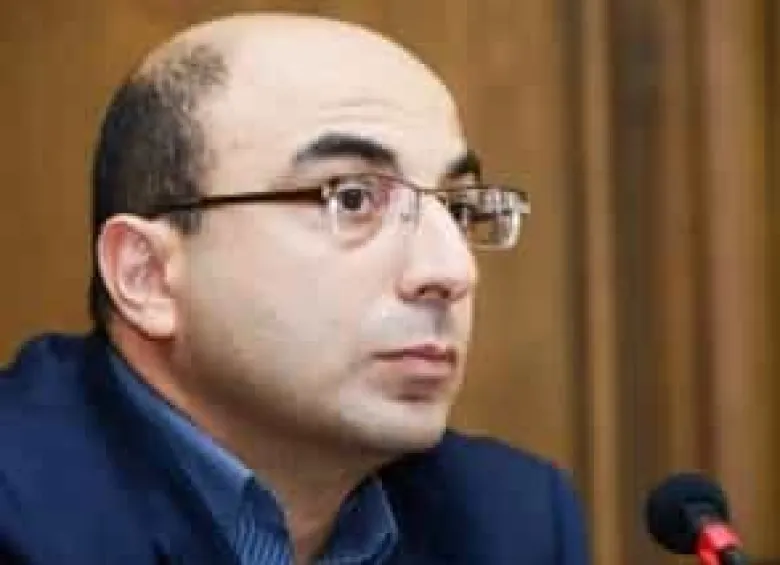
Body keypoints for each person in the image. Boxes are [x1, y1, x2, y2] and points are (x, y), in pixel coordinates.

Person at [0, 12, 589, 565]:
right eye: (352, 199)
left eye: (458, 209)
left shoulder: (508, 522)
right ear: (146, 276)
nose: (453, 271)